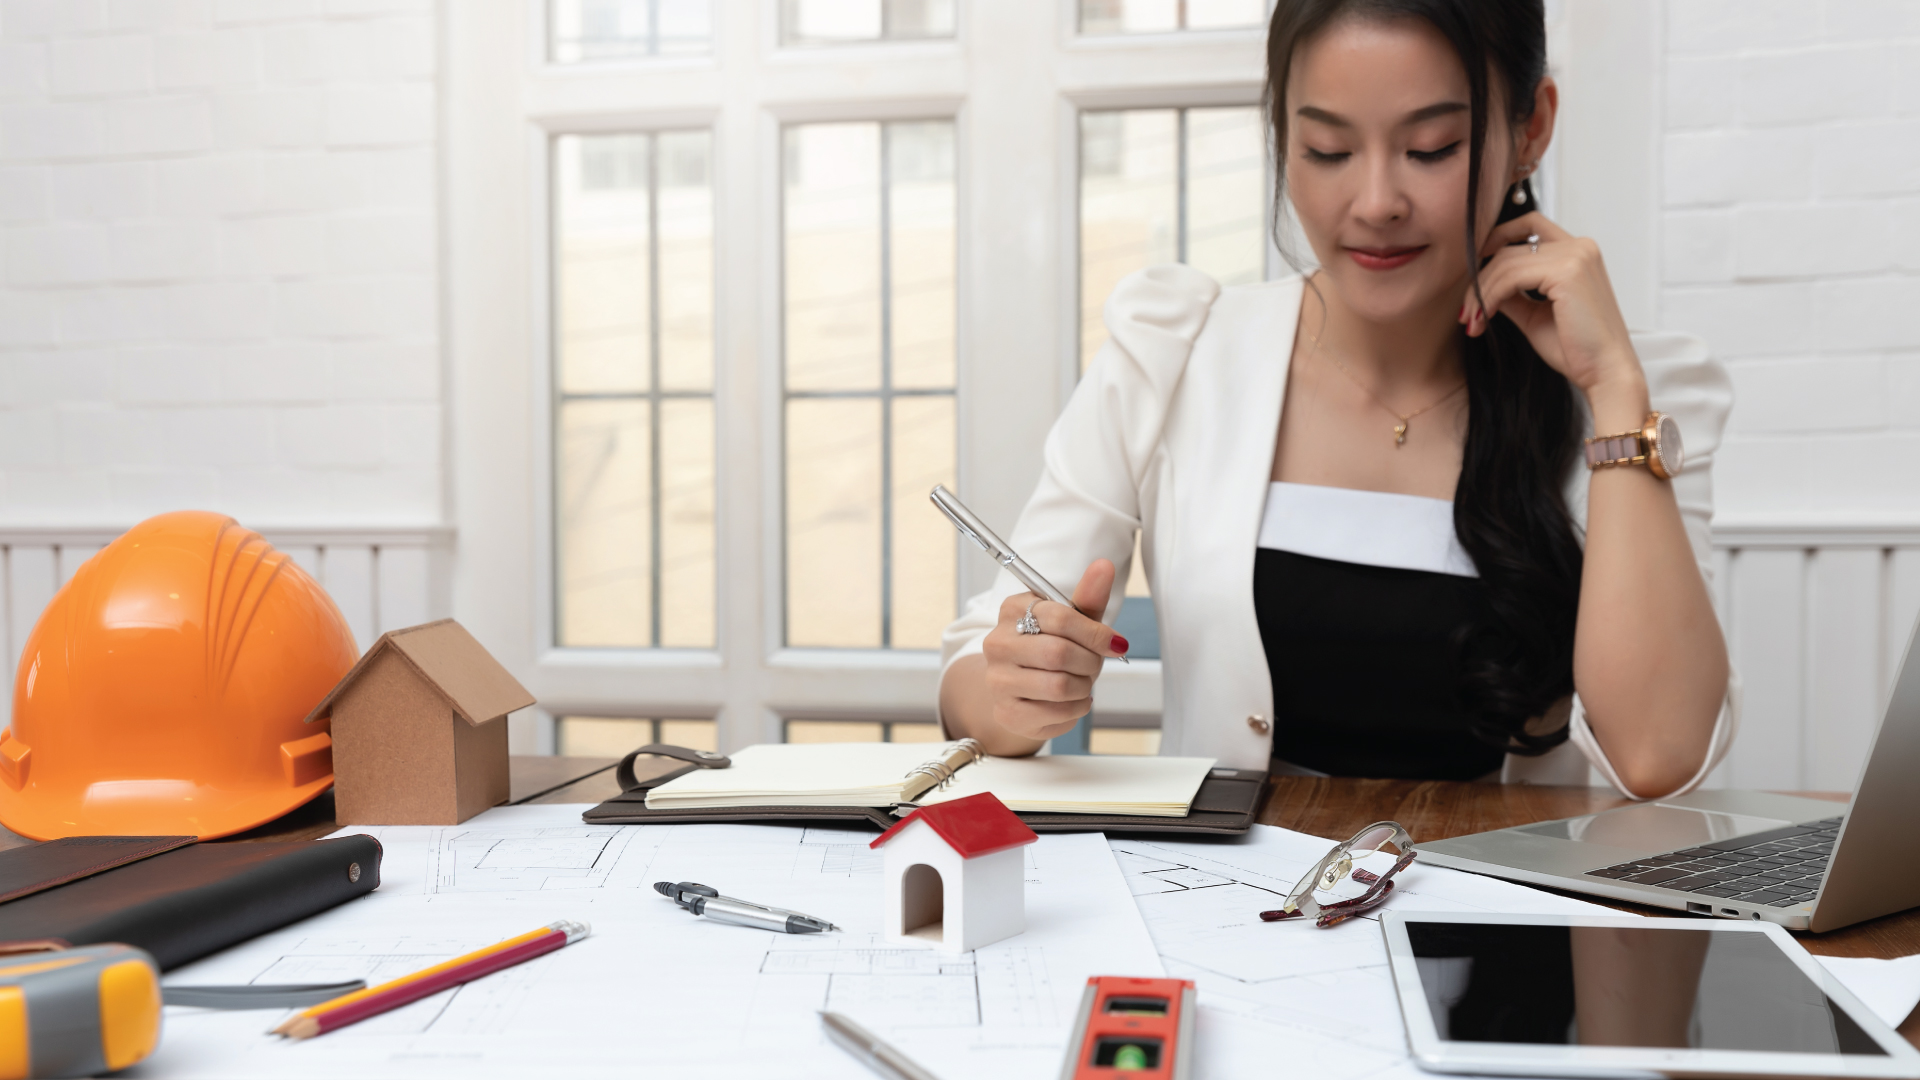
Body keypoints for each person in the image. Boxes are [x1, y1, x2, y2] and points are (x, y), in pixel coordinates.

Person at [937, 0, 1735, 799]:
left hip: (1508, 921)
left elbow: (1659, 757)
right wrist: (1014, 689)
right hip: (1232, 912)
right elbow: (974, 674)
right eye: (1328, 148)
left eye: (1432, 148)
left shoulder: (1626, 401)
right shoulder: (1175, 353)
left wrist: (1614, 391)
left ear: (1531, 129)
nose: (1377, 201)